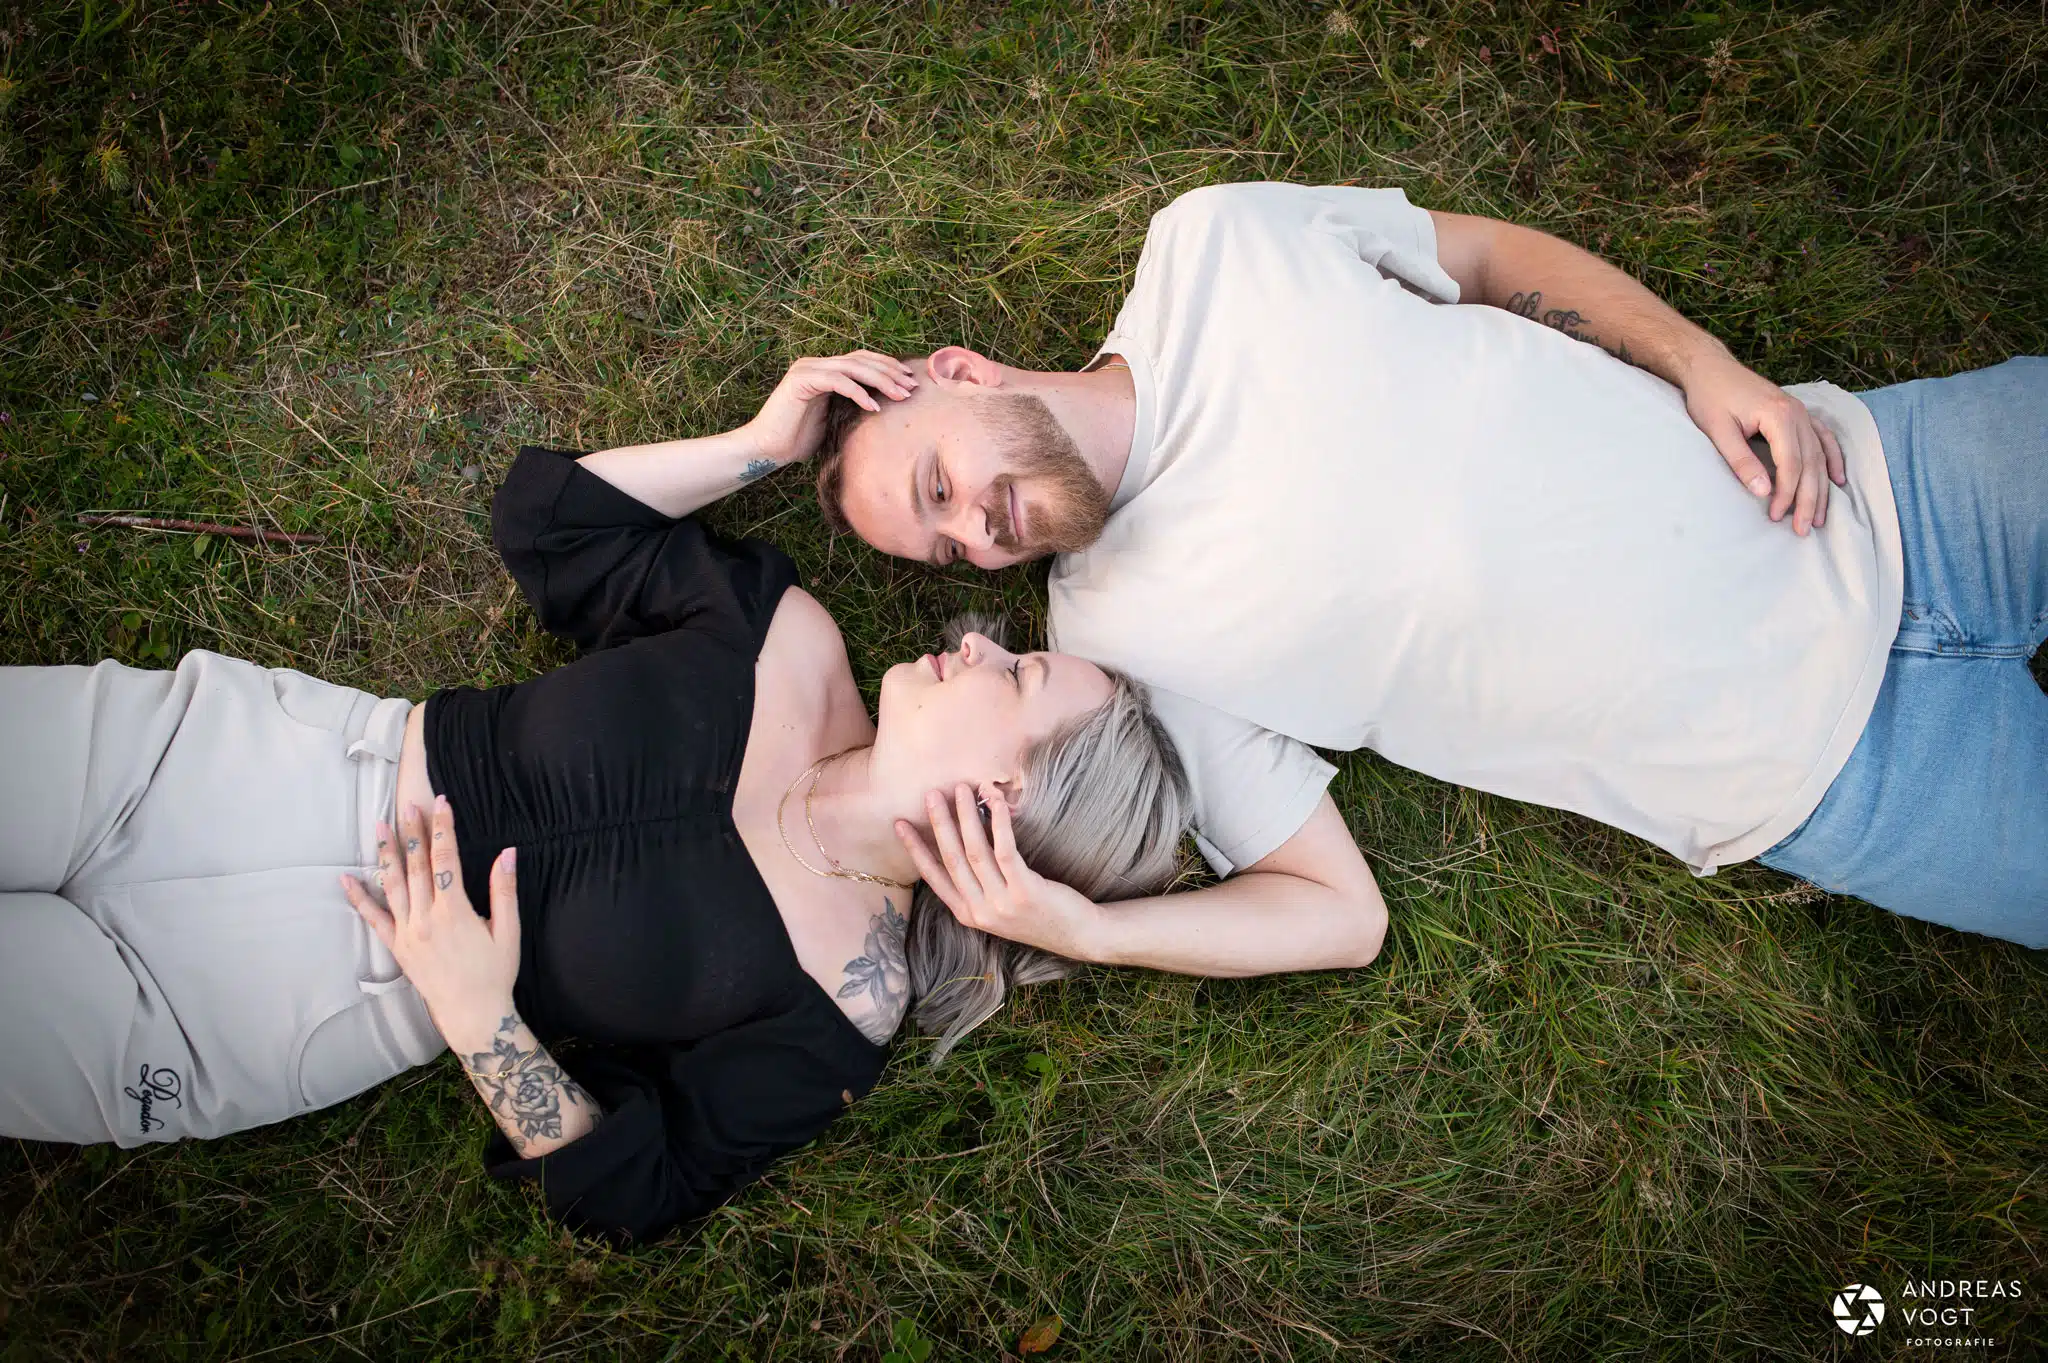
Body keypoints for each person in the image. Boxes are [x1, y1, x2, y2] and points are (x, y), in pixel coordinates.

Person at [0, 352, 1192, 1242]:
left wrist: (480, 1018)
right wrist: (765, 445)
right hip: (263, 765)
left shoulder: (842, 1006)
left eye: (1021, 673)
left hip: (294, 1000)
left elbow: (636, 1192)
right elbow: (557, 525)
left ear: (1011, 792)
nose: (981, 643)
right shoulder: (786, 643)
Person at [794, 181, 2045, 951]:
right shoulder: (1111, 648)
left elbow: (1492, 263)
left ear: (956, 375)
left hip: (1892, 481)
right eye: (945, 545)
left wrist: (1700, 359)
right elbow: (1335, 914)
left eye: (937, 486)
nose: (974, 534)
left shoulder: (1212, 249)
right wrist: (1082, 929)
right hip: (1834, 776)